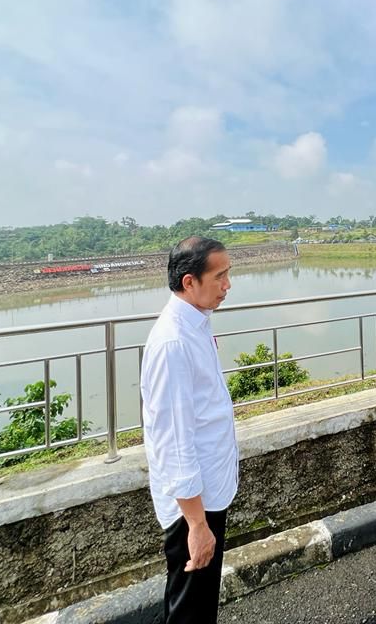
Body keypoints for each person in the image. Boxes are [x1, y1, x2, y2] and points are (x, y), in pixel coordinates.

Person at [140, 237, 238, 624]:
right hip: (191, 508)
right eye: (220, 276)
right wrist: (196, 524)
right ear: (188, 282)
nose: (228, 284)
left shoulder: (196, 324)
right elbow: (173, 440)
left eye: (228, 274)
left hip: (208, 492)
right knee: (189, 609)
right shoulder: (172, 343)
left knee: (200, 603)